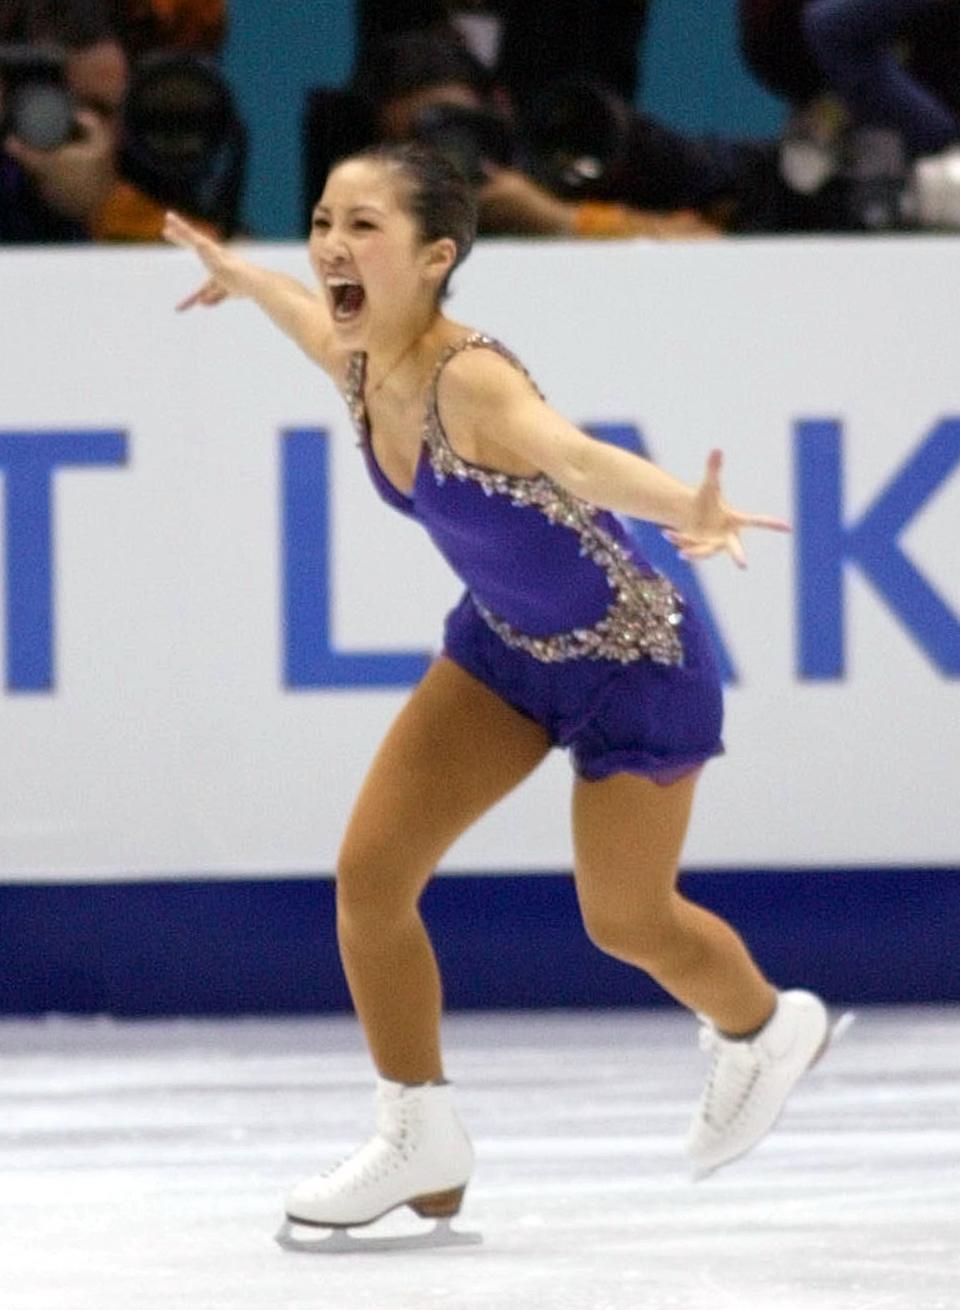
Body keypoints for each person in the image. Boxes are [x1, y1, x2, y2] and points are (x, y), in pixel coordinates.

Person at [163, 142, 843, 1245]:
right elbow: (300, 311)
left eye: (363, 226)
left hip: (632, 655)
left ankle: (766, 1026)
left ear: (435, 257)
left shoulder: (467, 376)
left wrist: (691, 506)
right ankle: (418, 1128)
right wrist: (239, 274)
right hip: (505, 648)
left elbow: (570, 455)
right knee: (371, 875)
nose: (332, 243)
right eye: (325, 217)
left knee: (625, 919)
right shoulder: (354, 351)